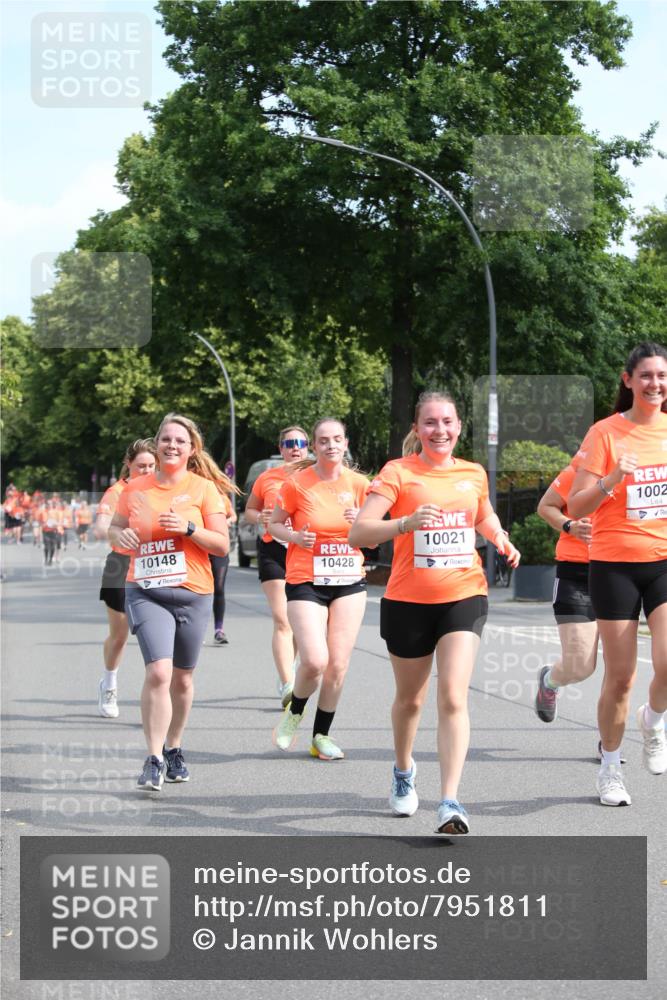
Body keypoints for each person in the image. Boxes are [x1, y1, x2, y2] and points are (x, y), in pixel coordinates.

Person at [349, 391, 520, 835]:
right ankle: (404, 770)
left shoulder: (473, 473)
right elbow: (359, 531)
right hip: (408, 600)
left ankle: (450, 801)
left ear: (459, 426)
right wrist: (404, 524)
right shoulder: (398, 473)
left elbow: (482, 516)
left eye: (446, 422)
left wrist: (501, 539)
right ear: (417, 429)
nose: (439, 430)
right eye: (430, 423)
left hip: (464, 594)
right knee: (411, 701)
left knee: (453, 696)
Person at [109, 413, 230, 791]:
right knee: (158, 673)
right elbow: (115, 528)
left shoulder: (204, 490)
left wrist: (190, 529)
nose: (171, 445)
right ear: (157, 444)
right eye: (165, 439)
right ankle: (153, 757)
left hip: (194, 592)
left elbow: (222, 544)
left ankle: (174, 745)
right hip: (145, 590)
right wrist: (121, 538)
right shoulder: (136, 488)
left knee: (182, 678)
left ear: (192, 449)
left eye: (180, 441)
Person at [569, 342, 667, 806]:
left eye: (661, 376)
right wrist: (613, 480)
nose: (655, 384)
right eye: (645, 375)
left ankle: (653, 720)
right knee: (622, 676)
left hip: (663, 560)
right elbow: (576, 503)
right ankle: (610, 767)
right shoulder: (604, 434)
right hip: (614, 565)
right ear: (628, 380)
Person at [270, 418, 368, 760]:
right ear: (314, 446)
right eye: (323, 440)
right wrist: (295, 536)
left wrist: (363, 522)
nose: (330, 445)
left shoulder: (359, 484)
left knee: (338, 665)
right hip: (306, 577)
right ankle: (294, 711)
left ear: (345, 443)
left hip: (348, 580)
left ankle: (321, 736)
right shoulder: (298, 484)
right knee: (314, 660)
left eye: (336, 439)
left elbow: (375, 532)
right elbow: (274, 524)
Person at [244, 426, 309, 703]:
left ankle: (289, 667)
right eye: (289, 443)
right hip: (273, 548)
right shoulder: (267, 477)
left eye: (300, 442)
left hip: (304, 551)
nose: (295, 447)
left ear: (309, 446)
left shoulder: (316, 476)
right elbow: (249, 511)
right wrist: (260, 518)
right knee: (282, 618)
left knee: (299, 620)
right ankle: (286, 684)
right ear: (280, 448)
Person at [94, 439, 158, 719]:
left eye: (151, 465)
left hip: (154, 565)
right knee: (119, 636)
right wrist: (118, 533)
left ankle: (156, 703)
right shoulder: (117, 491)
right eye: (140, 465)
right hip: (120, 565)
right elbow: (101, 528)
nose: (146, 470)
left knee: (156, 638)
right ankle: (109, 683)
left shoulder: (162, 489)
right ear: (128, 465)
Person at [209, 489, 239, 645]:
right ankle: (194, 628)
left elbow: (233, 515)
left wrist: (228, 521)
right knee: (200, 589)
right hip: (200, 547)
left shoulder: (221, 497)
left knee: (219, 587)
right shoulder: (195, 493)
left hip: (219, 547)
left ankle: (219, 630)